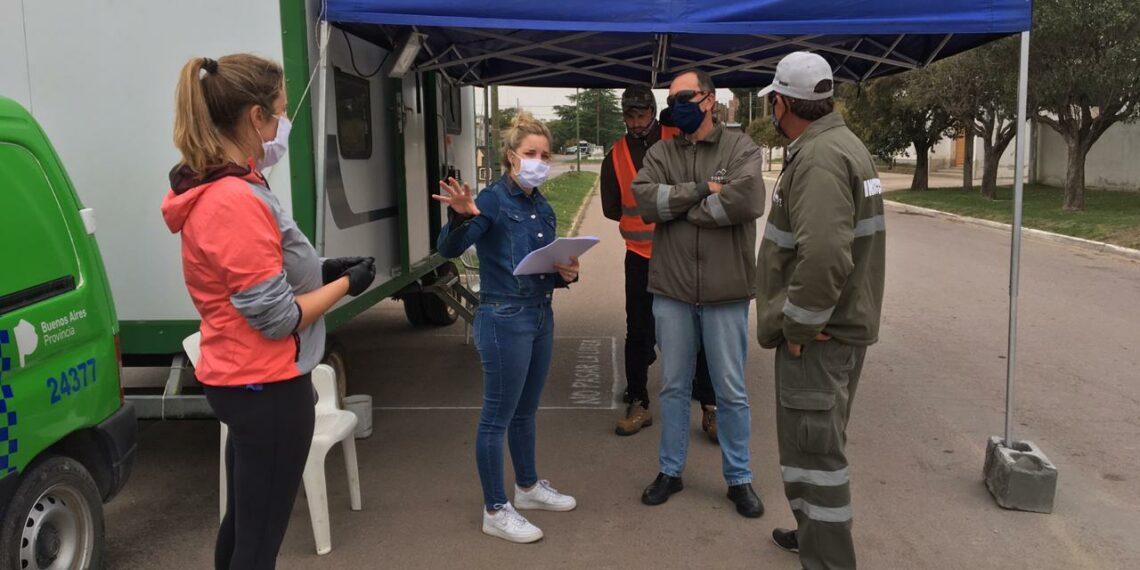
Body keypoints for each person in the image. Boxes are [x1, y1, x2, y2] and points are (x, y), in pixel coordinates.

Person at [162, 54, 376, 569]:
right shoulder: (232, 200)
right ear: (255, 117)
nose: (284, 124)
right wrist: (348, 284)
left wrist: (322, 269)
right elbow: (278, 317)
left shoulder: (233, 184)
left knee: (245, 526)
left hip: (248, 379)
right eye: (280, 112)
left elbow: (268, 270)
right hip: (267, 384)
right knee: (257, 544)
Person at [755, 51, 886, 570]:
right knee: (817, 450)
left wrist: (799, 328)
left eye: (772, 100)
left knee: (816, 459)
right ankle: (814, 535)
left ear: (783, 102)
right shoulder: (841, 144)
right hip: (839, 331)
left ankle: (828, 558)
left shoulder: (819, 157)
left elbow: (827, 255)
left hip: (819, 339)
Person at [433, 111, 581, 544]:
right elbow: (450, 248)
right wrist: (460, 216)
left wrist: (565, 274)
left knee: (526, 412)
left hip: (539, 315)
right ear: (511, 156)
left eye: (545, 154)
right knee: (496, 418)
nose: (538, 160)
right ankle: (495, 508)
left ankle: (529, 487)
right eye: (530, 153)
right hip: (503, 318)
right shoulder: (493, 199)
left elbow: (543, 267)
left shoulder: (543, 206)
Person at [631, 69, 767, 518]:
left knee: (729, 389)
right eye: (669, 99)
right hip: (671, 288)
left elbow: (747, 200)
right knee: (672, 385)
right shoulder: (660, 151)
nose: (674, 106)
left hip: (725, 290)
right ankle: (670, 471)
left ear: (708, 99)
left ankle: (739, 478)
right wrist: (702, 191)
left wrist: (689, 209)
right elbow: (646, 201)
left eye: (683, 97)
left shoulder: (741, 147)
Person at [600, 85, 720, 440]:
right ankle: (638, 400)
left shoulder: (680, 139)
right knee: (638, 331)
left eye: (641, 115)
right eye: (629, 117)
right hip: (639, 256)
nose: (635, 123)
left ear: (653, 112)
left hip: (680, 253)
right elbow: (611, 208)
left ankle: (710, 405)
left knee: (697, 329)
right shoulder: (616, 155)